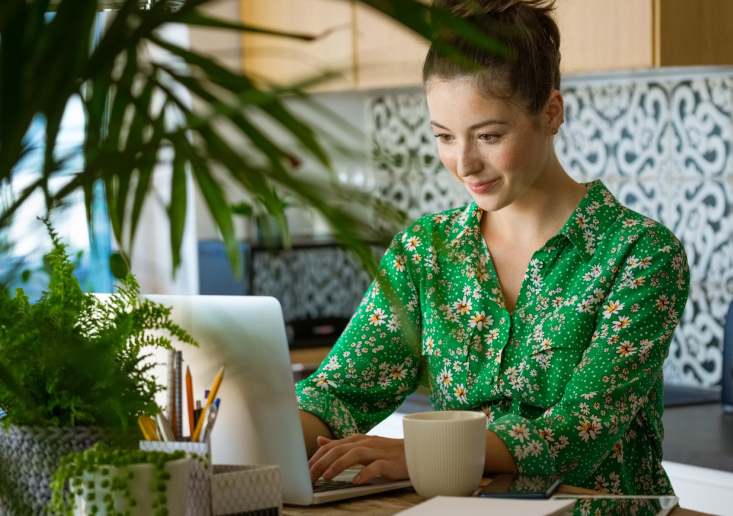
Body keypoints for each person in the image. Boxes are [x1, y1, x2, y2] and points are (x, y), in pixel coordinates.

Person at [296, 0, 690, 496]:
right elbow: (339, 395)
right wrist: (265, 426)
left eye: (488, 135)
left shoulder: (640, 254)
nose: (463, 163)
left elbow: (577, 434)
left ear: (551, 112)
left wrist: (422, 452)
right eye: (443, 137)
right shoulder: (424, 252)